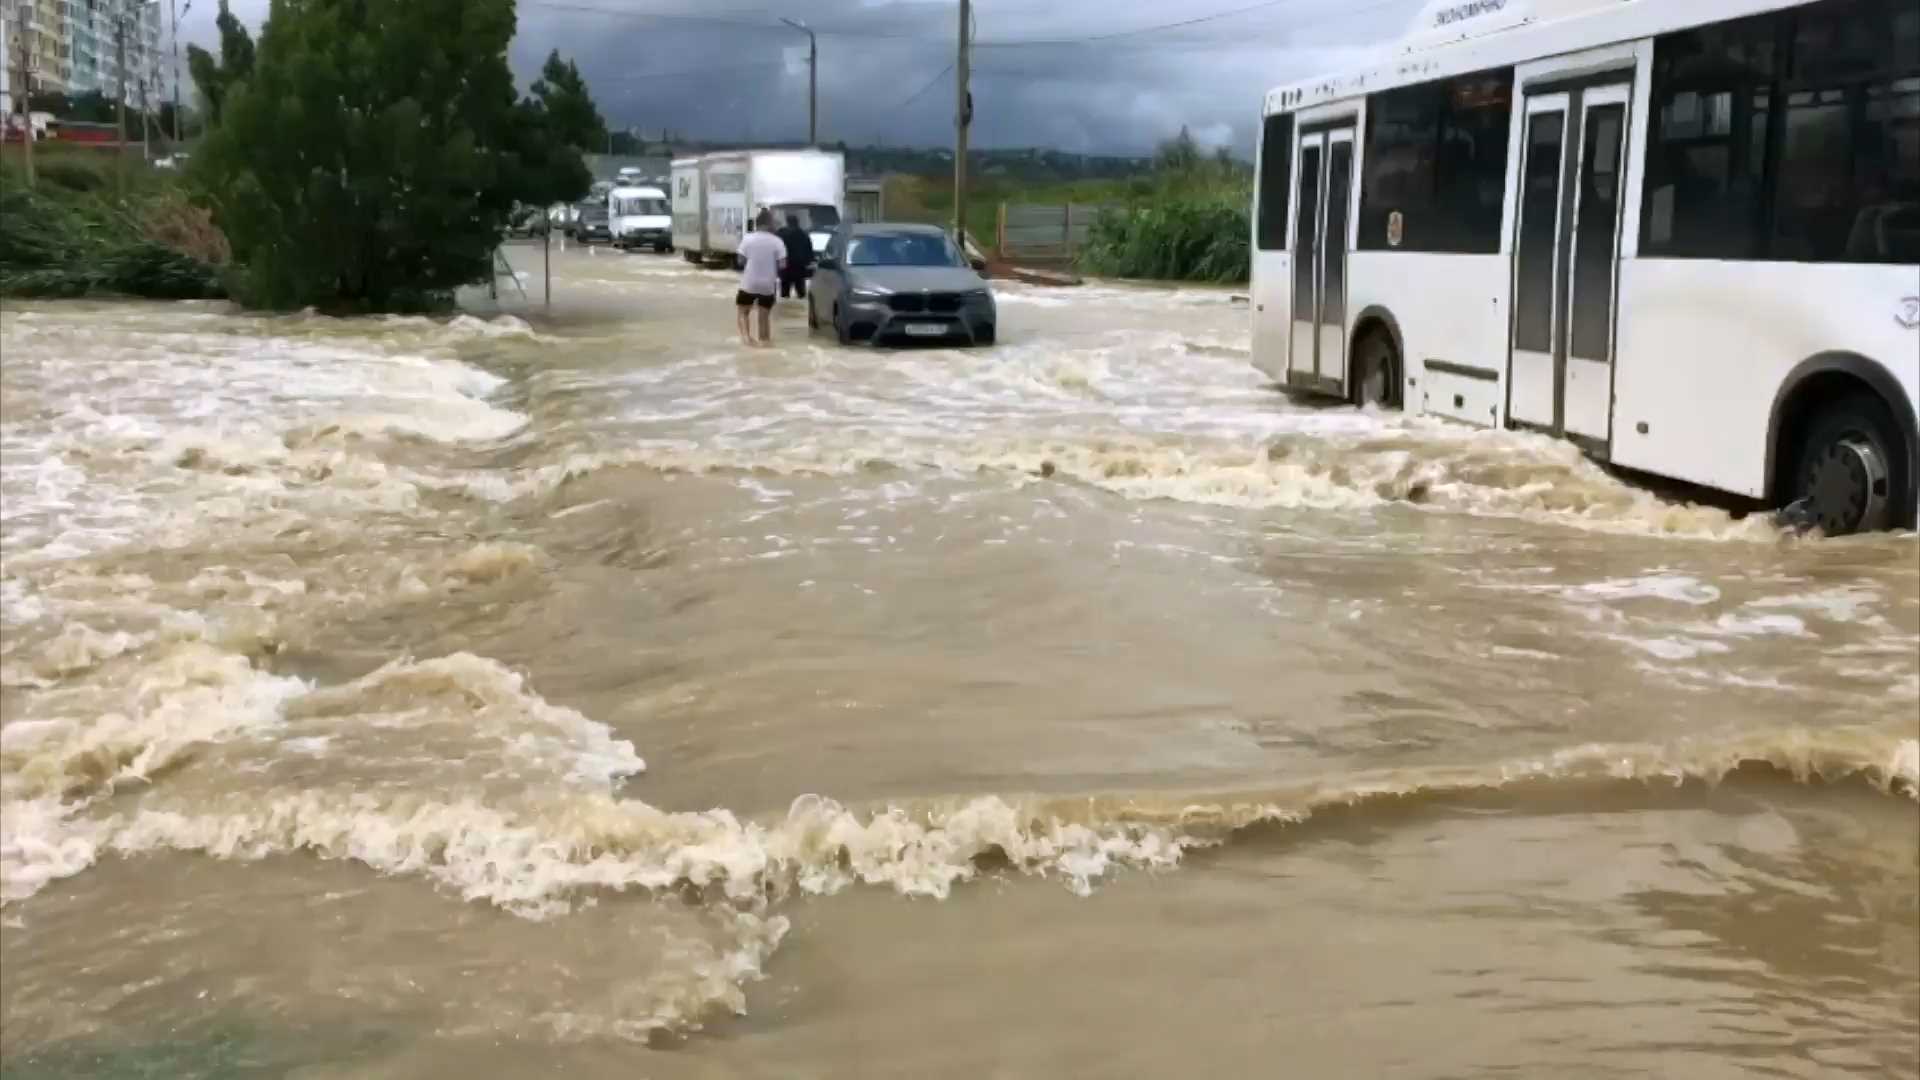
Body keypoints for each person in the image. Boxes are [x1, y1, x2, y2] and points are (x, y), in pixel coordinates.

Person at [735, 209, 786, 346]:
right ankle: (764, 342)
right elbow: (782, 265)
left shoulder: (748, 238)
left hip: (749, 282)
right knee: (764, 316)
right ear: (770, 224)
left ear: (757, 223)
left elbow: (740, 261)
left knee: (743, 312)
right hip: (768, 284)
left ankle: (747, 340)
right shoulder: (777, 241)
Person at [776, 213, 814, 299]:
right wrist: (808, 262)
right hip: (799, 267)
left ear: (787, 222)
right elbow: (809, 251)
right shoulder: (804, 234)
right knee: (801, 293)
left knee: (784, 294)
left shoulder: (781, 233)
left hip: (785, 266)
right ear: (797, 222)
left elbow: (776, 248)